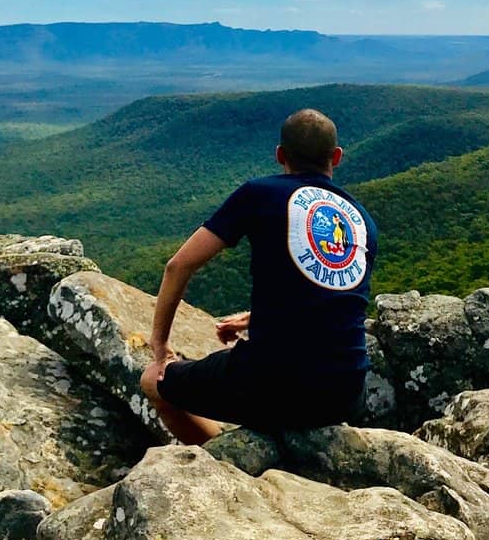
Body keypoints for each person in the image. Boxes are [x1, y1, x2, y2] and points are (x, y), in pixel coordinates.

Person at [139, 107, 377, 444]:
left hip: (272, 384)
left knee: (153, 381)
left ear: (280, 155)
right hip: (346, 394)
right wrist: (255, 319)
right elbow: (333, 300)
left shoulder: (259, 194)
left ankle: (223, 462)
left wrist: (160, 345)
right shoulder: (362, 220)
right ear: (336, 157)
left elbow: (179, 265)